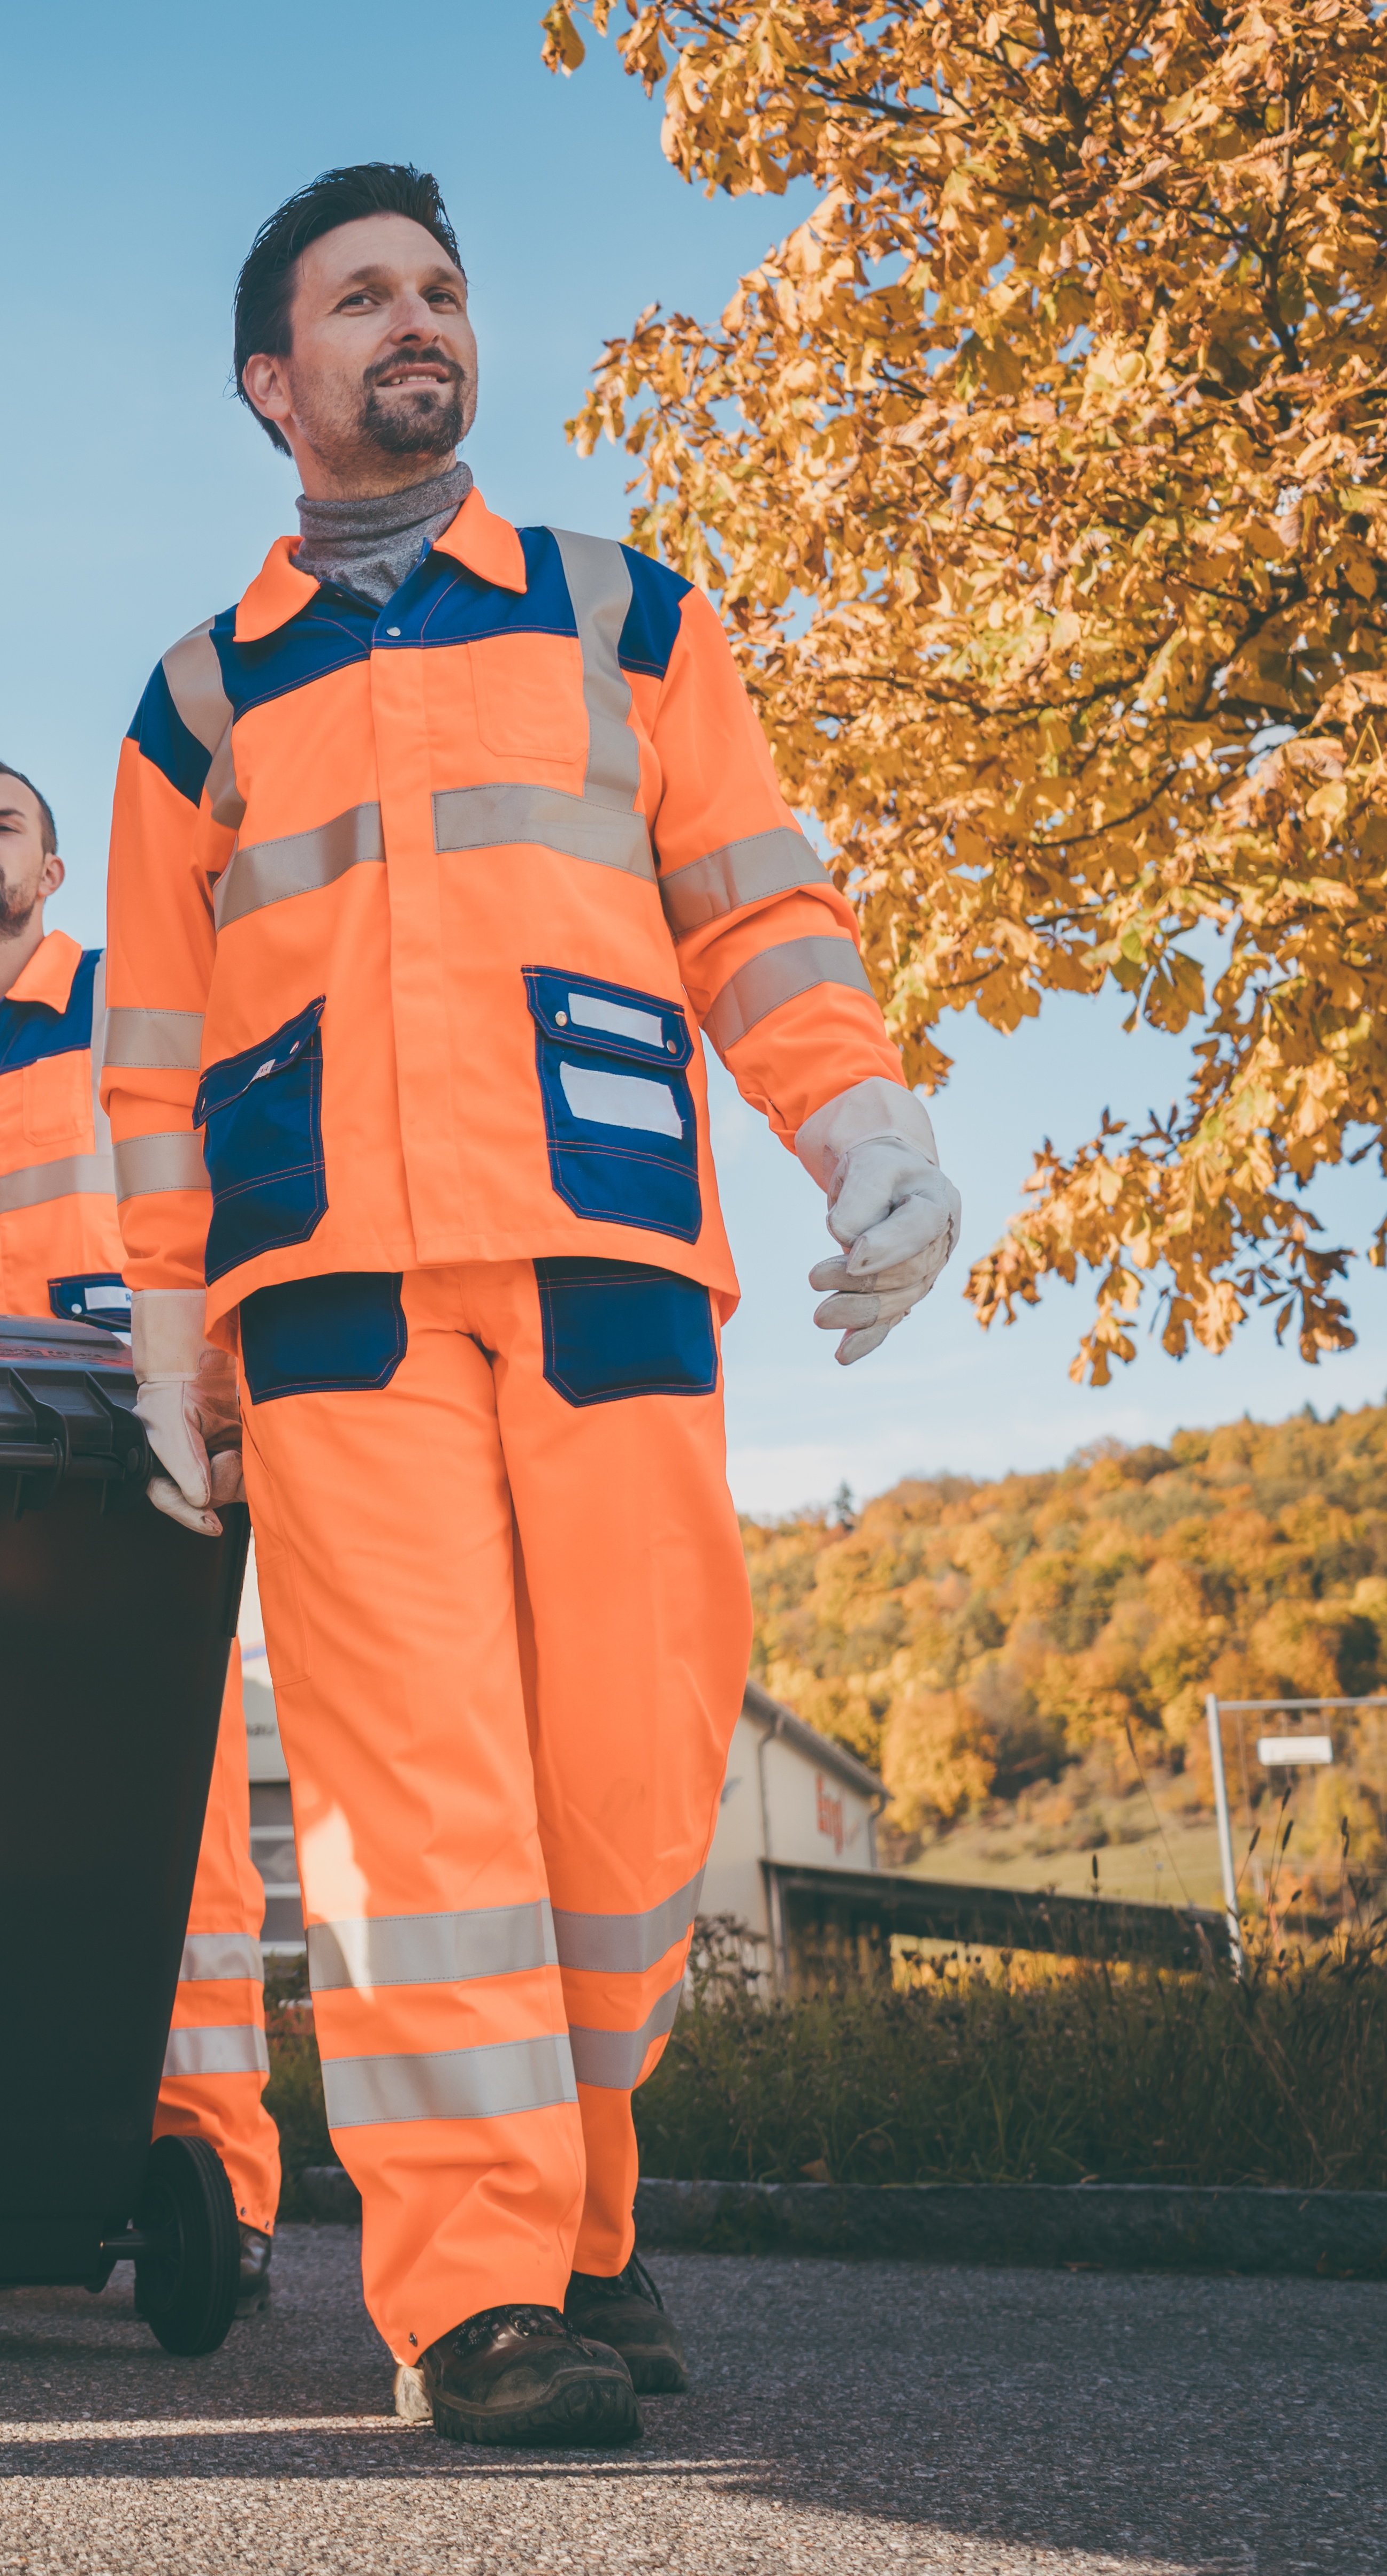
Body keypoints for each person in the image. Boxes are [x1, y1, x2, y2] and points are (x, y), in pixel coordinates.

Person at [98, 164, 961, 2447]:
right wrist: (161, 1332)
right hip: (335, 1317)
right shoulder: (194, 707)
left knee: (626, 1792)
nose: (417, 318)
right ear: (269, 383)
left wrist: (856, 1123)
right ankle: (470, 2297)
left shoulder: (628, 621)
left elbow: (758, 915)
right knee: (414, 1812)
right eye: (361, 295)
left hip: (603, 1275)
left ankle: (582, 2220)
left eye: (442, 289)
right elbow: (149, 1060)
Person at [0, 757, 284, 2318]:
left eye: (0, 825)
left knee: (188, 1844)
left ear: (54, 870)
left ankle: (212, 2184)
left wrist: (227, 1412)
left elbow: (228, 1208)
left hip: (136, 1472)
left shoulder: (137, 1025)